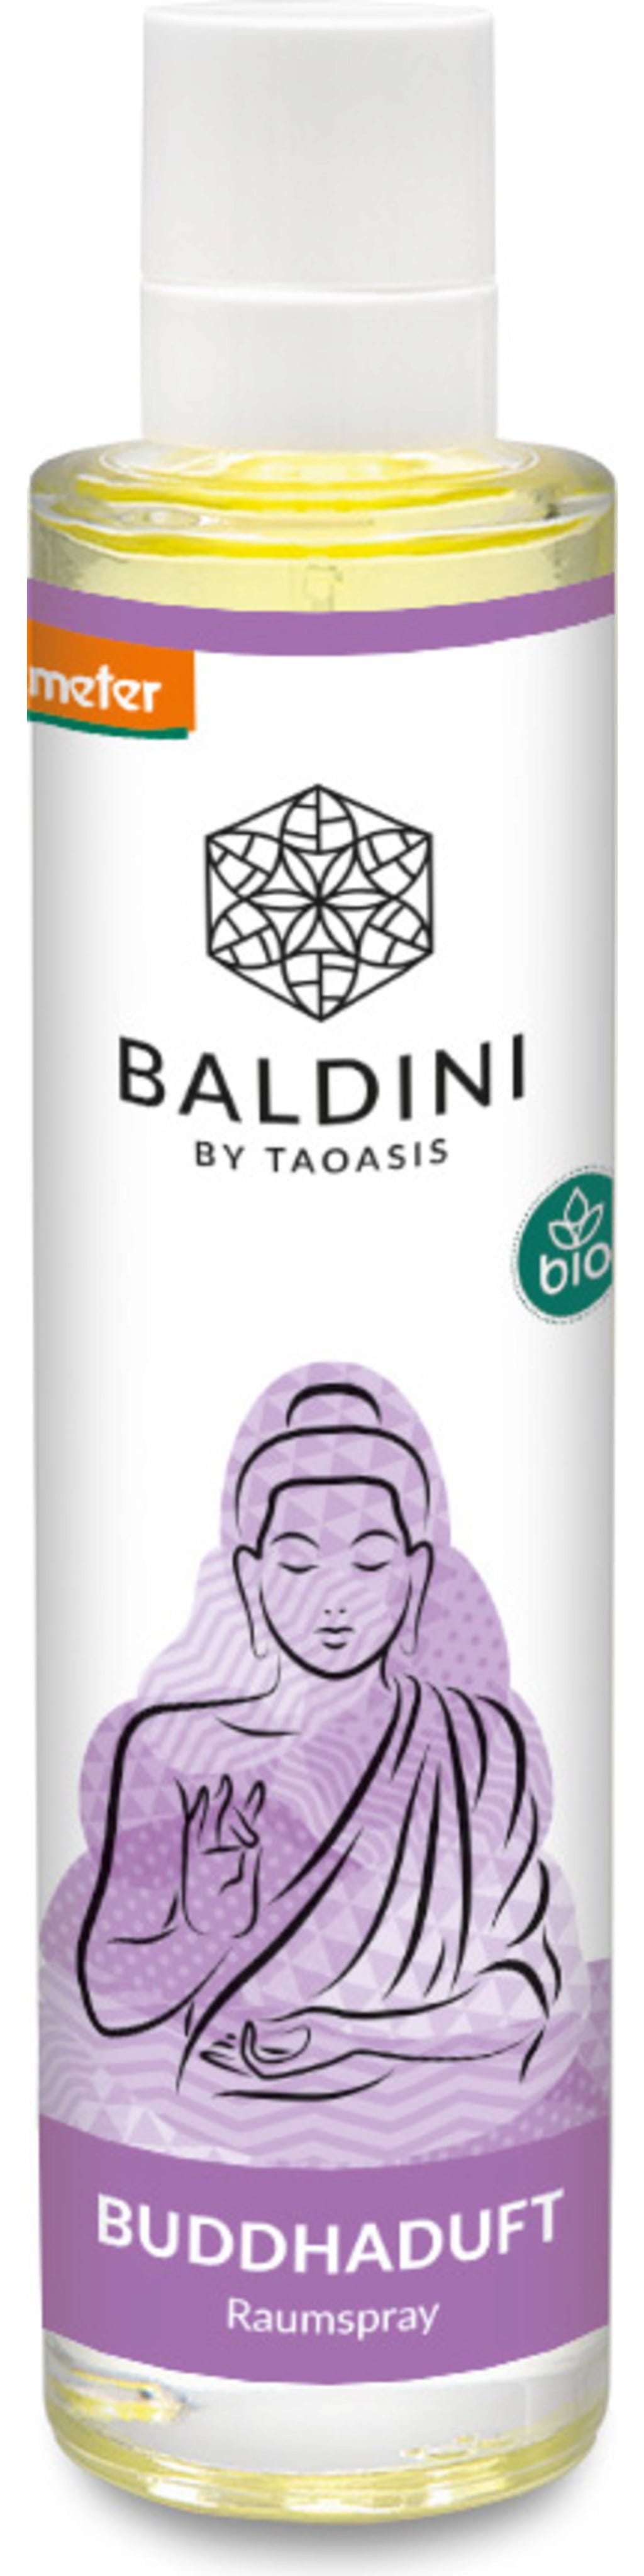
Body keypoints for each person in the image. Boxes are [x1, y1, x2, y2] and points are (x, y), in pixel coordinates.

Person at [73, 1367, 584, 2107]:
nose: (334, 1596)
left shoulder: (476, 1747)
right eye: (298, 1561)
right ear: (250, 1577)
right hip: (208, 2121)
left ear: (413, 1575)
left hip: (443, 2114)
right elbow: (107, 2004)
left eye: (370, 1560)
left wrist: (343, 2036)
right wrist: (203, 1928)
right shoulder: (173, 1751)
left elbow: (530, 1992)